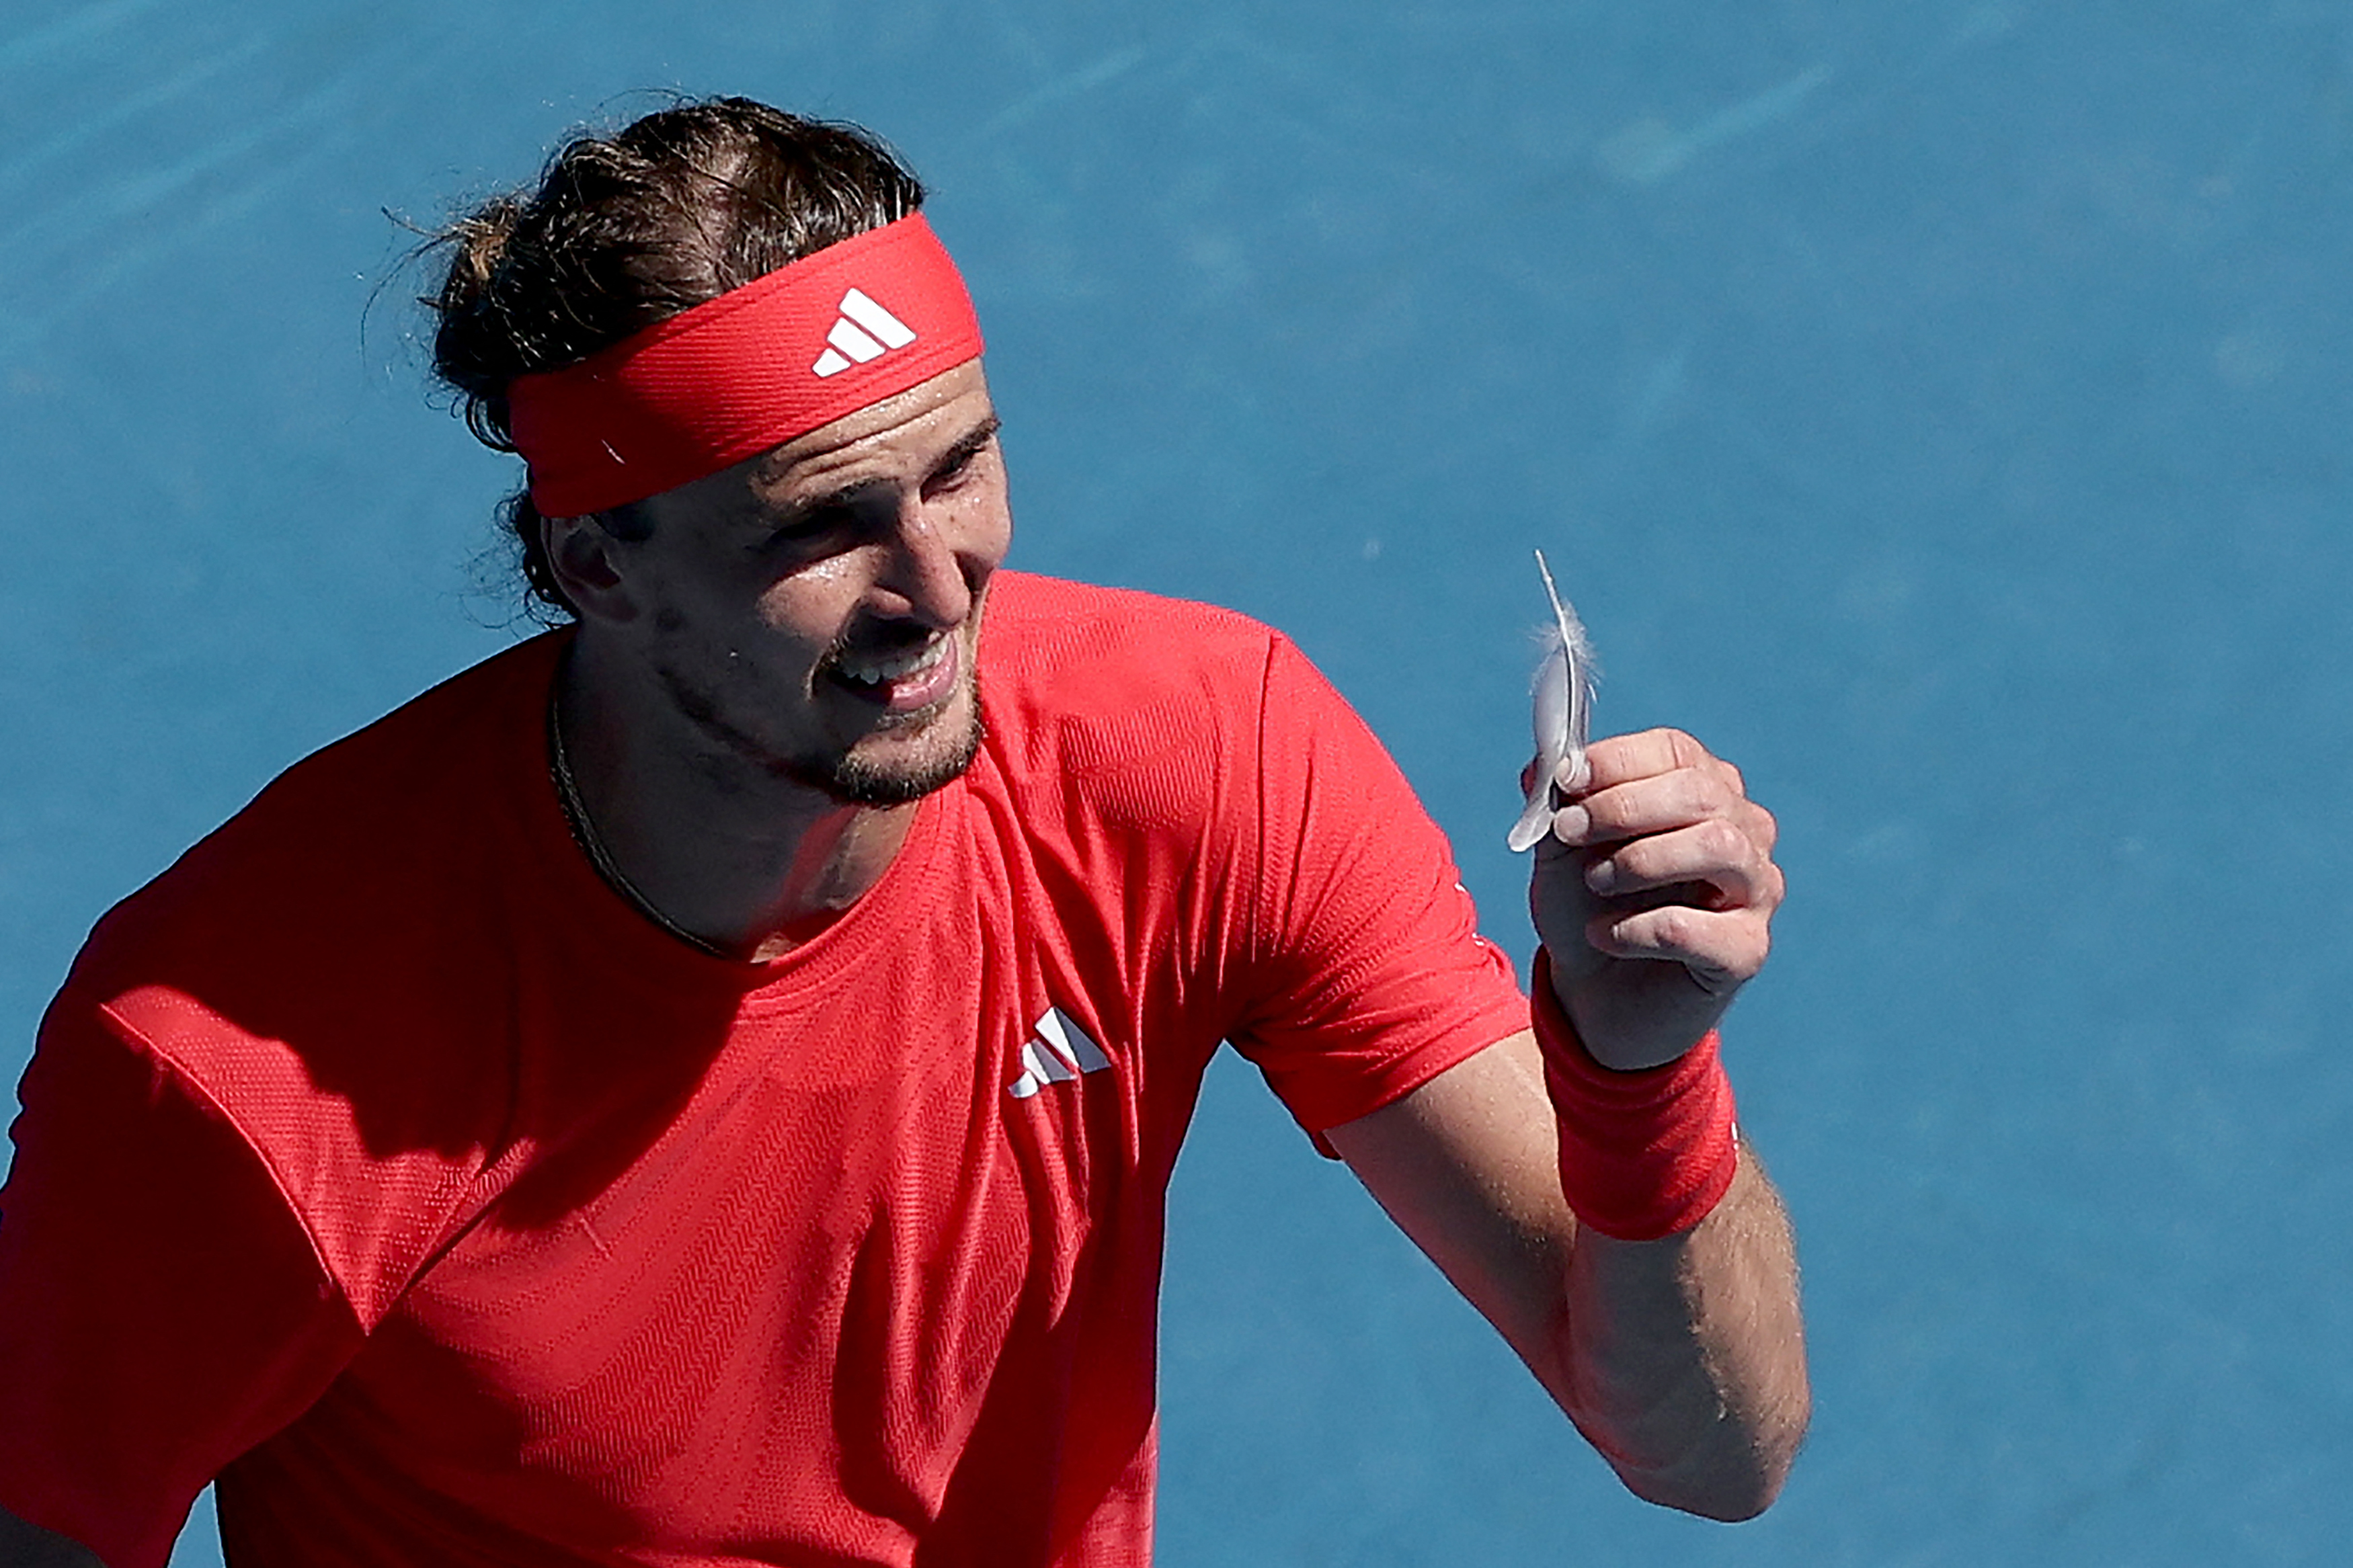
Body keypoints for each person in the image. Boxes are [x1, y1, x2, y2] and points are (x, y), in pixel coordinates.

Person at [0, 98, 1807, 1567]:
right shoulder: (233, 1071)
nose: (936, 585)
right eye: (822, 526)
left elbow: (1710, 1455)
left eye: (956, 468)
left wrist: (1635, 1072)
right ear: (595, 566)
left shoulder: (1198, 751)